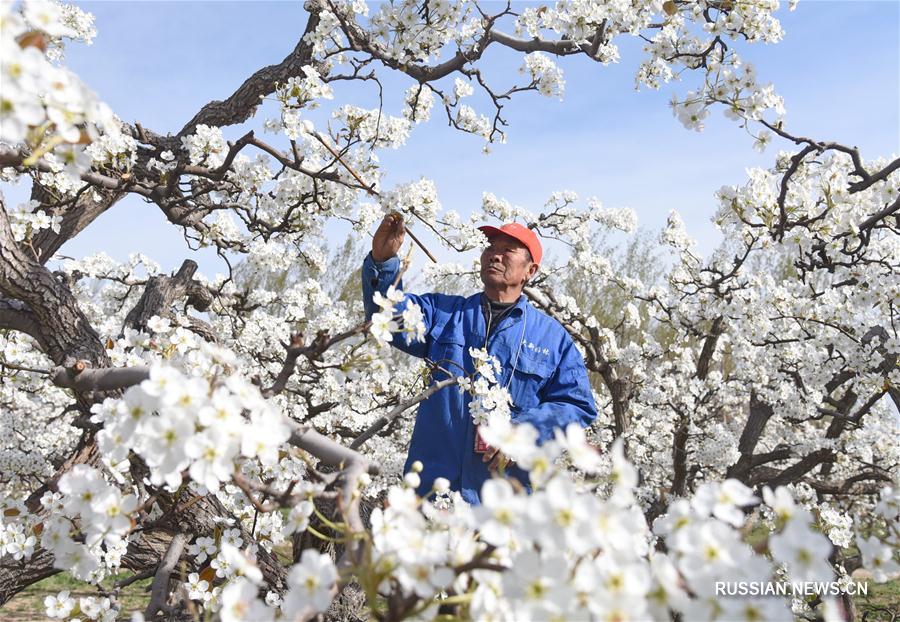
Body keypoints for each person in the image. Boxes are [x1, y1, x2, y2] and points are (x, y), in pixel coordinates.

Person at [361, 213, 597, 504]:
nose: (495, 256)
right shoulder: (444, 314)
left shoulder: (553, 338)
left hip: (501, 509)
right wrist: (383, 263)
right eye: (490, 248)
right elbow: (387, 319)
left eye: (508, 250)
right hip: (429, 498)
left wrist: (523, 433)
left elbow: (576, 405)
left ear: (530, 271)